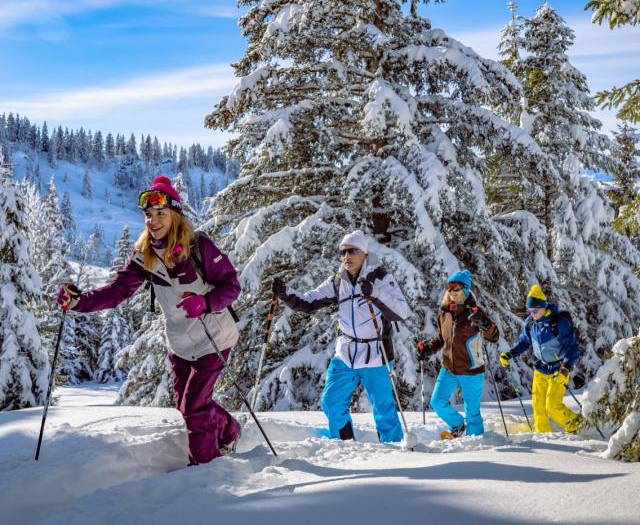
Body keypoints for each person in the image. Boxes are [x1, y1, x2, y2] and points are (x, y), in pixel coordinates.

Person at [56, 175, 242, 465]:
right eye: (148, 215)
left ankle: (205, 471)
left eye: (160, 214)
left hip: (214, 338)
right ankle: (229, 430)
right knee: (186, 405)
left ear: (175, 216)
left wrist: (205, 302)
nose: (153, 221)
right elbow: (118, 291)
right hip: (179, 343)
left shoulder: (198, 246)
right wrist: (79, 302)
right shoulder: (145, 256)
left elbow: (232, 287)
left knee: (194, 407)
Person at [272, 230, 410, 442]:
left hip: (376, 354)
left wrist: (374, 293)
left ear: (364, 254)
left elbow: (402, 312)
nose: (347, 256)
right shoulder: (338, 281)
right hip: (346, 353)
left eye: (352, 251)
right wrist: (286, 293)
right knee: (331, 403)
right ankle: (346, 445)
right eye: (343, 252)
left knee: (383, 410)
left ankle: (395, 451)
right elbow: (309, 301)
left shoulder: (380, 277)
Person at [417, 269, 499, 438]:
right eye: (449, 287)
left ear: (466, 289)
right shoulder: (445, 312)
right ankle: (457, 425)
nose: (451, 291)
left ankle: (476, 444)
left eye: (456, 287)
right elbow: (441, 339)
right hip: (449, 368)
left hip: (471, 369)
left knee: (472, 413)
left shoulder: (475, 312)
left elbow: (494, 336)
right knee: (437, 402)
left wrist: (484, 323)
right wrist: (428, 349)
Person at [499, 284, 580, 433]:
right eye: (530, 311)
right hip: (540, 369)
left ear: (543, 307)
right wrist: (510, 354)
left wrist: (566, 368)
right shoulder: (531, 324)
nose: (532, 314)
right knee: (538, 405)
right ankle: (543, 437)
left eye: (535, 310)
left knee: (552, 405)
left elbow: (573, 348)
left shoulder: (559, 323)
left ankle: (577, 426)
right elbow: (524, 342)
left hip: (559, 371)